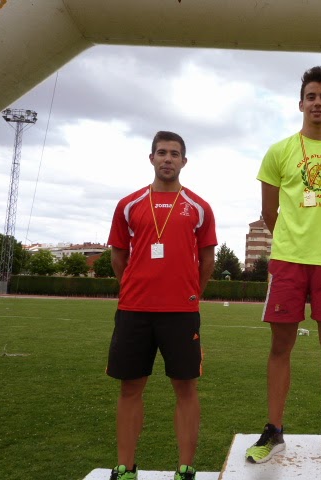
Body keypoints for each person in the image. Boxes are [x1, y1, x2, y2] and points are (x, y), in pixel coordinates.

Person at [245, 66, 321, 466]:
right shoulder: (279, 151)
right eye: (311, 97)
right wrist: (294, 239)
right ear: (300, 104)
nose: (318, 103)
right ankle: (274, 430)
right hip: (288, 260)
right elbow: (269, 212)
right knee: (280, 346)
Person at [106, 131, 217, 480]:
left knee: (186, 388)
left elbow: (207, 259)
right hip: (134, 311)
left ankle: (185, 468)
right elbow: (118, 256)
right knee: (130, 388)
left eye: (174, 153)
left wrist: (191, 293)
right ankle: (126, 467)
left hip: (181, 313)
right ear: (151, 158)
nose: (168, 159)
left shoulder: (199, 207)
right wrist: (134, 287)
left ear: (184, 161)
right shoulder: (129, 204)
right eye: (162, 152)